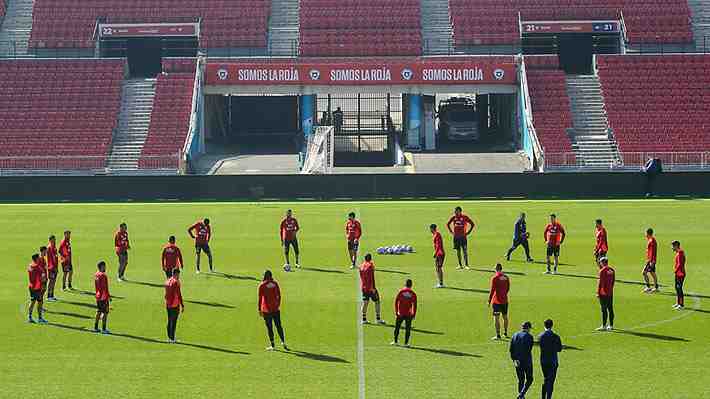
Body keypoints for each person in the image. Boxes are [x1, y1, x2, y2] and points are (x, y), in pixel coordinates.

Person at [258, 270, 288, 351]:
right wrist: (278, 304)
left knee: (270, 327)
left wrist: (259, 310)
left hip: (266, 310)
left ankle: (273, 345)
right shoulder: (275, 284)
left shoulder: (262, 285)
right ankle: (283, 342)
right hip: (275, 308)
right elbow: (279, 295)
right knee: (279, 326)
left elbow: (260, 298)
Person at [539, 319, 563, 399]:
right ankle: (548, 397)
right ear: (552, 325)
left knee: (546, 379)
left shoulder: (540, 336)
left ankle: (543, 397)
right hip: (553, 361)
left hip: (544, 361)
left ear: (544, 325)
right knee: (551, 381)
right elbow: (559, 349)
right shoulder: (556, 336)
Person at [510, 321, 534, 399]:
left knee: (521, 379)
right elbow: (529, 349)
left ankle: (521, 396)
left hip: (517, 361)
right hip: (527, 361)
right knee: (530, 379)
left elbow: (511, 350)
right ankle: (521, 395)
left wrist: (514, 360)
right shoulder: (529, 336)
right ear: (528, 328)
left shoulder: (514, 335)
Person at [359, 254, 384, 324]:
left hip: (364, 287)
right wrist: (372, 288)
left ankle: (364, 319)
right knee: (377, 302)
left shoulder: (361, 266)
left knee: (365, 303)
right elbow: (371, 278)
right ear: (370, 259)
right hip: (371, 288)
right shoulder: (370, 266)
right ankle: (378, 319)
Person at [391, 279, 417, 347]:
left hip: (400, 313)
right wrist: (414, 314)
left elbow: (396, 302)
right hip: (408, 314)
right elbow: (415, 304)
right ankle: (406, 343)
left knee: (397, 327)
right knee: (408, 329)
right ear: (411, 285)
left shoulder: (401, 292)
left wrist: (396, 311)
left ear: (405, 284)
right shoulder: (413, 293)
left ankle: (395, 341)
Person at [488, 263, 510, 340]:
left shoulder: (495, 278)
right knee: (505, 316)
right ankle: (505, 333)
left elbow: (492, 290)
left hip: (496, 301)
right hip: (505, 300)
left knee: (496, 318)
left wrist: (489, 300)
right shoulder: (506, 277)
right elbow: (508, 288)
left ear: (496, 269)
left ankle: (498, 335)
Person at [165, 268, 185, 343]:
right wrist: (182, 305)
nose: (179, 276)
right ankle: (172, 338)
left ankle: (169, 337)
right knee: (174, 322)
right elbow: (179, 294)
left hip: (168, 304)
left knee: (169, 320)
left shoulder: (167, 281)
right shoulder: (176, 282)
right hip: (174, 304)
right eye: (178, 274)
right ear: (176, 274)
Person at [596, 257, 615, 331]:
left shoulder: (602, 271)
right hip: (610, 292)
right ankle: (611, 325)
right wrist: (610, 289)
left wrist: (598, 292)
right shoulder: (612, 270)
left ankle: (604, 325)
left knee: (604, 310)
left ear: (602, 262)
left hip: (603, 293)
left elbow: (600, 283)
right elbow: (613, 281)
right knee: (610, 309)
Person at [27, 253, 47, 324]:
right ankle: (40, 318)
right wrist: (43, 284)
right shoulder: (38, 267)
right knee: (40, 302)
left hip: (31, 286)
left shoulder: (30, 266)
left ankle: (29, 317)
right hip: (37, 287)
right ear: (36, 259)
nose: (39, 259)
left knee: (32, 301)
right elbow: (42, 278)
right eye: (38, 258)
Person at [93, 261, 111, 334]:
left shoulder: (96, 274)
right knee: (105, 313)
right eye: (104, 266)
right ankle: (103, 329)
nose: (105, 268)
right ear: (101, 267)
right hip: (103, 297)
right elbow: (104, 287)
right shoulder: (103, 275)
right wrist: (108, 296)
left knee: (99, 311)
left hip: (98, 296)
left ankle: (96, 327)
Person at [642, 228, 659, 293]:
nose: (645, 235)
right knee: (652, 273)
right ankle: (654, 287)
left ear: (648, 233)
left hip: (650, 260)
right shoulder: (651, 240)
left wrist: (652, 261)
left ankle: (650, 287)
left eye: (645, 233)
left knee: (644, 272)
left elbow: (653, 252)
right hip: (650, 260)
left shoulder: (652, 241)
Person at [430, 224, 445, 288]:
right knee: (437, 268)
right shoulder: (435, 234)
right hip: (439, 254)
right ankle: (440, 283)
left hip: (440, 254)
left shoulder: (437, 235)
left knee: (439, 268)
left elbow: (438, 245)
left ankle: (441, 283)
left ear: (432, 228)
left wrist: (435, 253)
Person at [672, 240, 686, 310]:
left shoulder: (680, 253)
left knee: (679, 288)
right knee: (677, 288)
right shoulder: (678, 252)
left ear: (676, 246)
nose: (672, 248)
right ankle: (678, 303)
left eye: (673, 246)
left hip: (680, 273)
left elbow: (680, 264)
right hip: (678, 273)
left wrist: (675, 270)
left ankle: (681, 304)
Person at [46, 235, 59, 301]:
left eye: (55, 239)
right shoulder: (49, 248)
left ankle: (52, 295)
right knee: (51, 281)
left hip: (55, 267)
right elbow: (50, 259)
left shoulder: (54, 247)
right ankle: (48, 296)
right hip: (51, 268)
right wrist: (53, 267)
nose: (54, 241)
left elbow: (56, 258)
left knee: (53, 281)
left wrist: (56, 267)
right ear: (50, 240)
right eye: (53, 240)